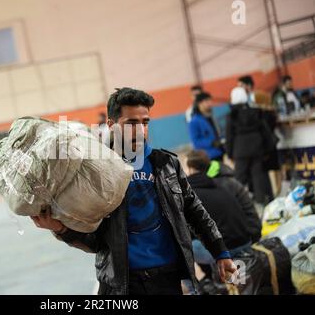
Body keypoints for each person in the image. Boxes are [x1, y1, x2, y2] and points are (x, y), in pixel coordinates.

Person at [30, 87, 236, 295]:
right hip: (122, 284)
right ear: (111, 125)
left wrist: (220, 252)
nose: (140, 130)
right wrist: (61, 229)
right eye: (131, 124)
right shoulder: (95, 172)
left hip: (167, 277)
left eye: (145, 122)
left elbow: (194, 211)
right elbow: (95, 240)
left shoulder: (166, 164)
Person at [195, 151, 262, 243]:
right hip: (250, 233)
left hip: (243, 238)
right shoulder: (226, 179)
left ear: (192, 170)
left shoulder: (215, 186)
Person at [226, 87, 274, 206]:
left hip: (240, 150)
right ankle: (260, 203)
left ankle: (239, 204)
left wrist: (229, 153)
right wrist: (268, 149)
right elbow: (265, 131)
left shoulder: (232, 115)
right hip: (257, 148)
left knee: (239, 179)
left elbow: (229, 136)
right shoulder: (256, 112)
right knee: (258, 176)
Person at [188, 92, 224, 161]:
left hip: (219, 153)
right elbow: (196, 142)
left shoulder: (212, 118)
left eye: (210, 100)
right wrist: (212, 142)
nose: (210, 103)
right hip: (208, 157)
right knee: (212, 172)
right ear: (199, 104)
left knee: (222, 171)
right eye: (207, 101)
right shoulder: (194, 122)